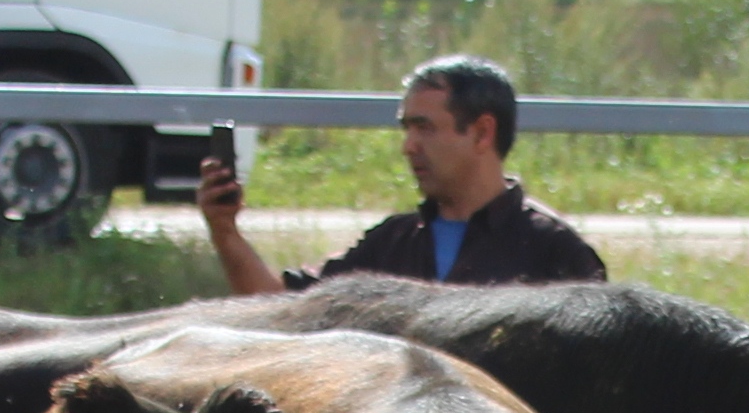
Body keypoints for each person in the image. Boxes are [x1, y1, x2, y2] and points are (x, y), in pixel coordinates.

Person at [197, 52, 606, 294]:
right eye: (406, 128)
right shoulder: (391, 245)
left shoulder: (556, 255)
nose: (408, 146)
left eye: (425, 128)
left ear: (482, 132)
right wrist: (225, 232)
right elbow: (281, 306)